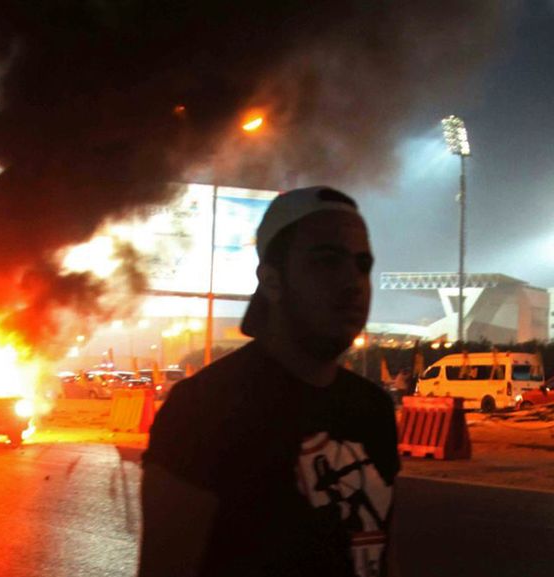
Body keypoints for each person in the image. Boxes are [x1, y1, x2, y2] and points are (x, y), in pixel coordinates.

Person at [139, 187, 400, 577]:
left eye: (362, 265)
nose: (353, 282)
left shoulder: (372, 409)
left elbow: (376, 558)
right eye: (327, 261)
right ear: (272, 280)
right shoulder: (202, 411)